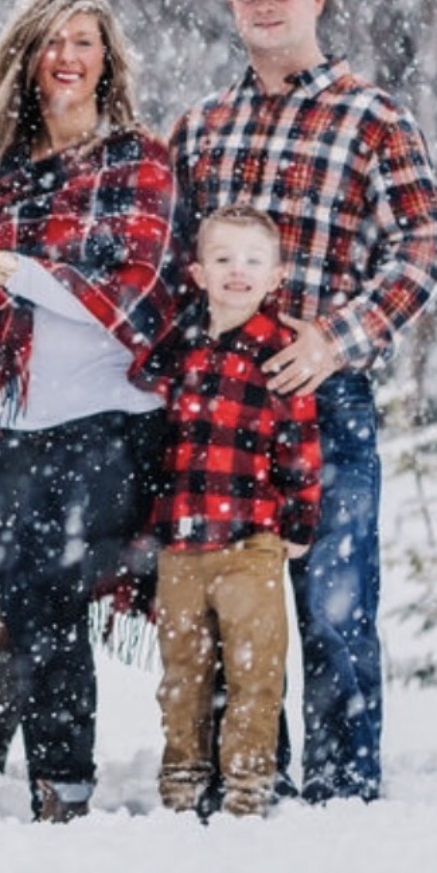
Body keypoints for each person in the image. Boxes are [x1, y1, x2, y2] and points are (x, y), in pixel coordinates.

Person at [166, 0, 437, 804]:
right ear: (231, 6)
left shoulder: (372, 116)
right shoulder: (205, 125)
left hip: (324, 403)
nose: (264, 4)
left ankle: (341, 793)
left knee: (332, 610)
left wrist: (337, 338)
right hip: (219, 418)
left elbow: (423, 244)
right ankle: (247, 779)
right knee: (229, 614)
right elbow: (171, 252)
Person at [0, 0, 177, 824]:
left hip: (107, 425)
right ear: (27, 60)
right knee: (30, 618)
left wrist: (2, 267)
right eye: (53, 42)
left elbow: (125, 284)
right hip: (8, 430)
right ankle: (60, 793)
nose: (68, 56)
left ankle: (226, 769)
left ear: (106, 58)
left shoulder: (138, 159)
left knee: (75, 592)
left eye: (84, 40)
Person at [137, 204, 321, 819]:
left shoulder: (282, 352)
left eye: (252, 261)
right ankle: (183, 782)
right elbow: (144, 387)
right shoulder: (182, 342)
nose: (236, 272)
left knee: (254, 671)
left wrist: (298, 523)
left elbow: (299, 446)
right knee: (182, 674)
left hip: (252, 543)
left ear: (276, 277)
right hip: (181, 541)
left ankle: (247, 786)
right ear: (197, 271)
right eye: (222, 259)